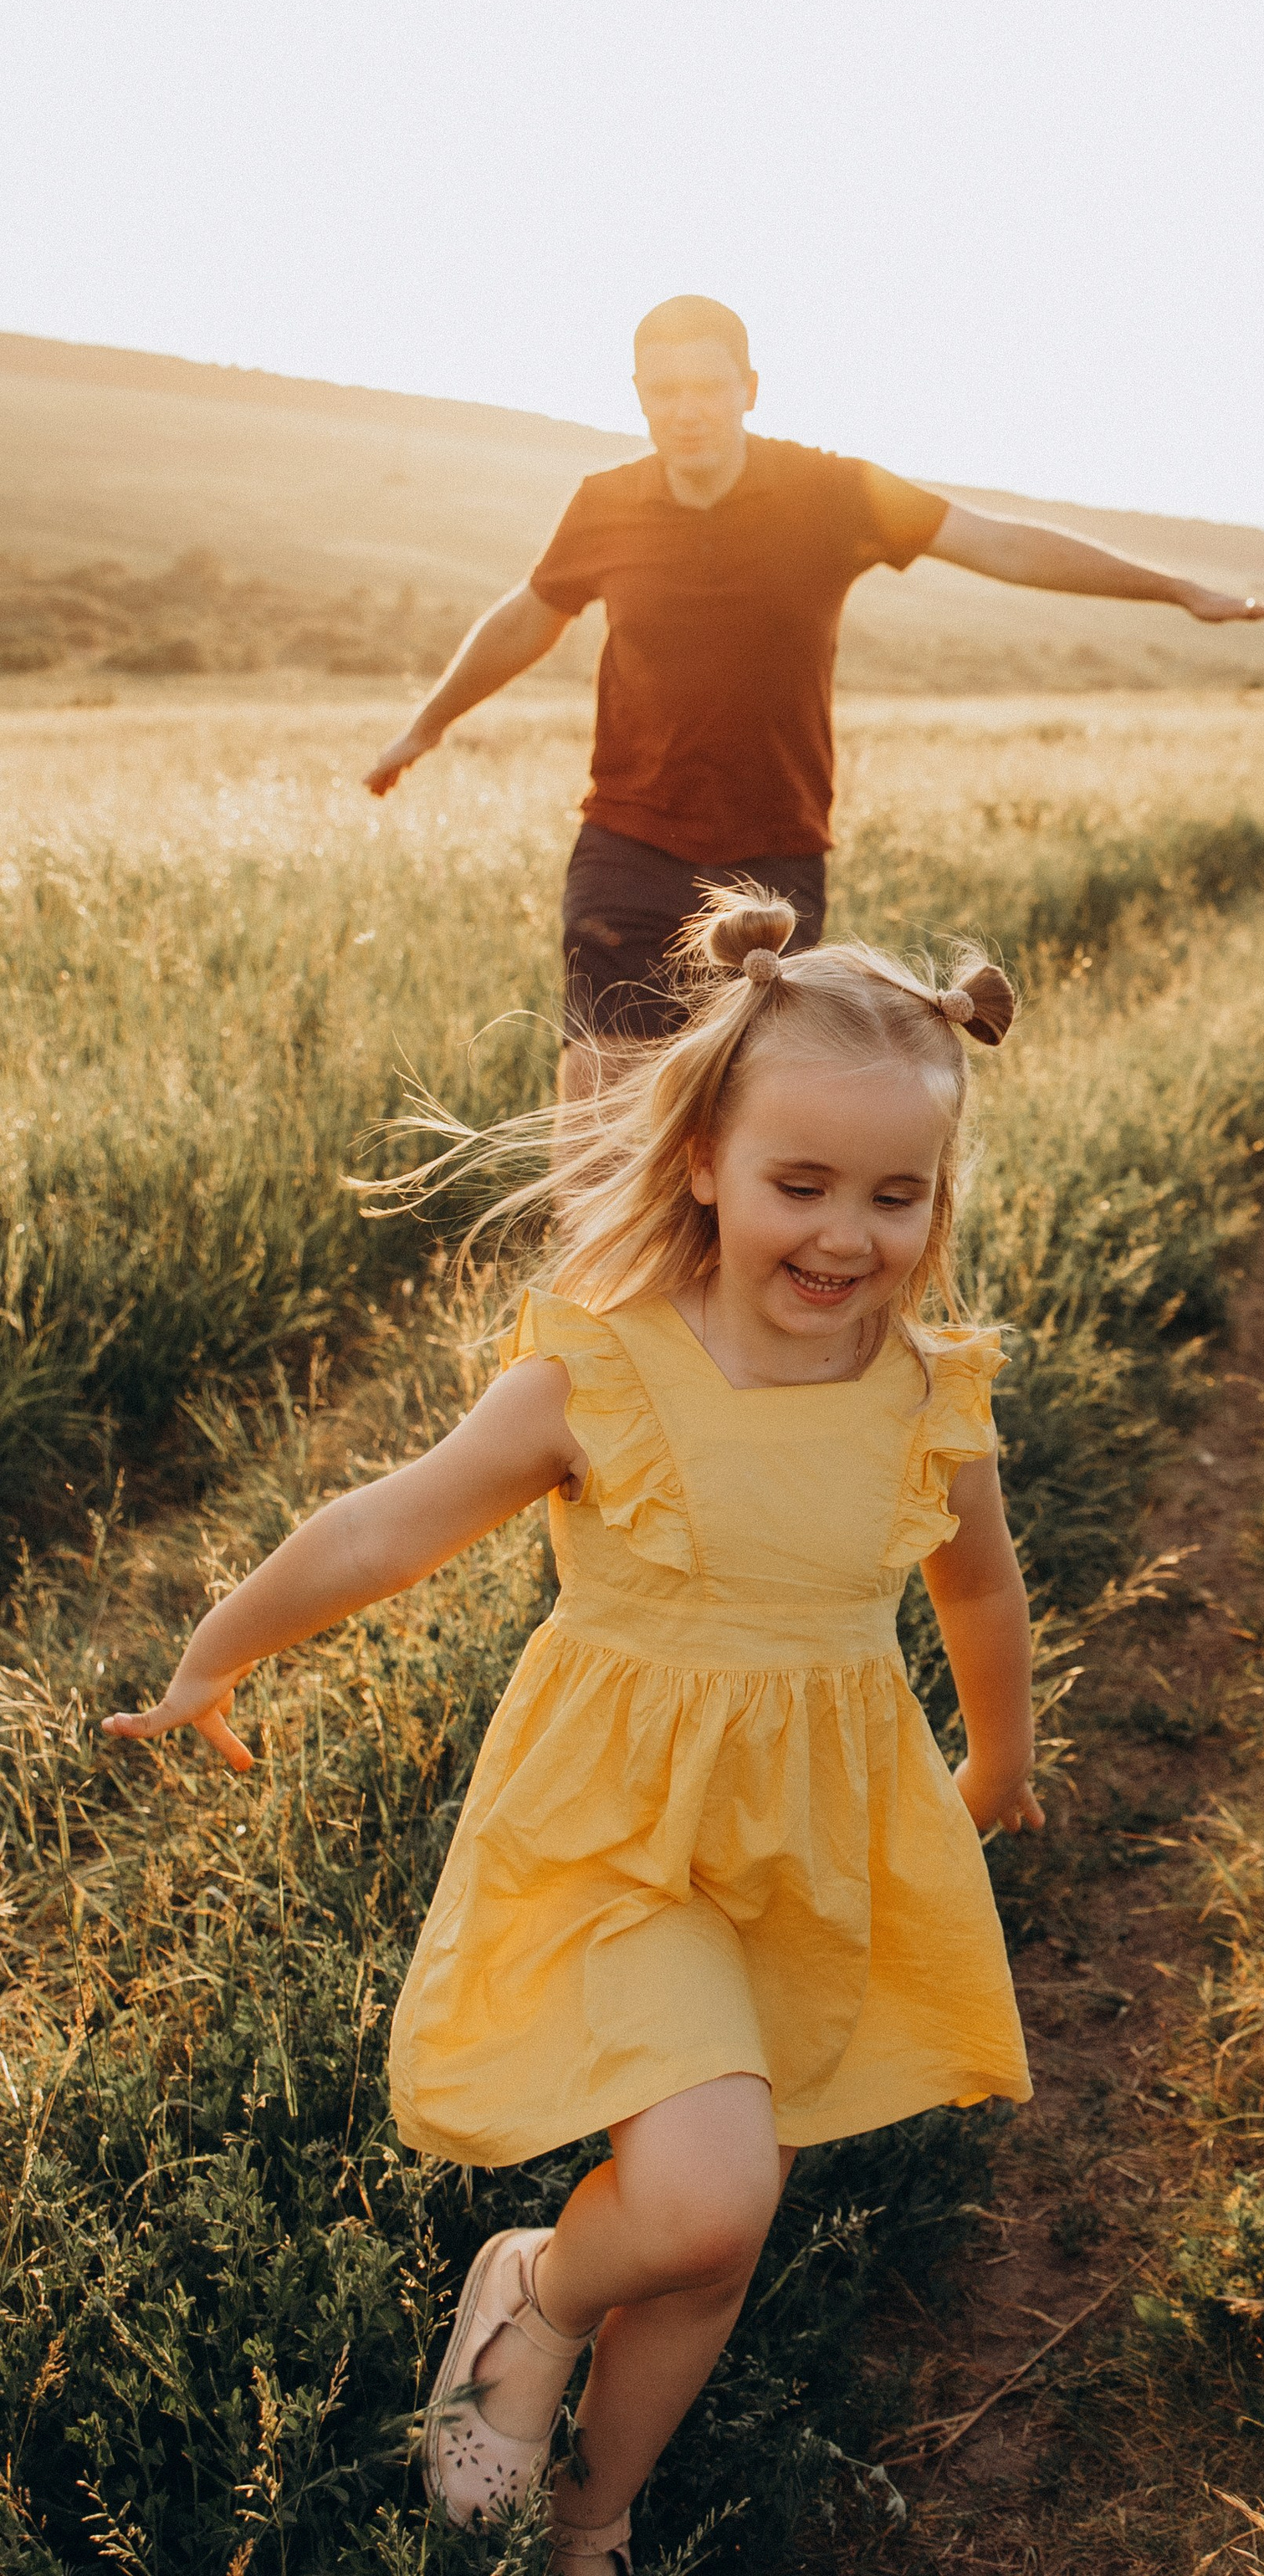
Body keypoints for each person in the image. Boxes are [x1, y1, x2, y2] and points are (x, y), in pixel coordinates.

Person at [105, 891, 1038, 2573]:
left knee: (711, 2243)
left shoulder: (926, 1391)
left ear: (937, 1196)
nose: (846, 1237)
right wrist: (218, 1647)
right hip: (615, 1839)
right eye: (800, 1185)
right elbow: (385, 1526)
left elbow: (977, 1591)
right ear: (704, 1162)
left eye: (894, 1196)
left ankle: (589, 2513)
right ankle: (533, 2291)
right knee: (700, 2198)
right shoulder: (599, 1375)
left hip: (808, 1839)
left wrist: (999, 1759)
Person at [364, 294, 1264, 1089]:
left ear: (749, 390)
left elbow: (1002, 542)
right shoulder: (604, 503)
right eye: (664, 392)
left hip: (773, 859)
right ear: (640, 398)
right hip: (627, 837)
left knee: (741, 1100)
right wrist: (427, 725)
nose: (686, 410)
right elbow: (530, 614)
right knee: (597, 1082)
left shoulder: (835, 494)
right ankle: (597, 1301)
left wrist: (1178, 590)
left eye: (706, 388)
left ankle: (721, 1302)